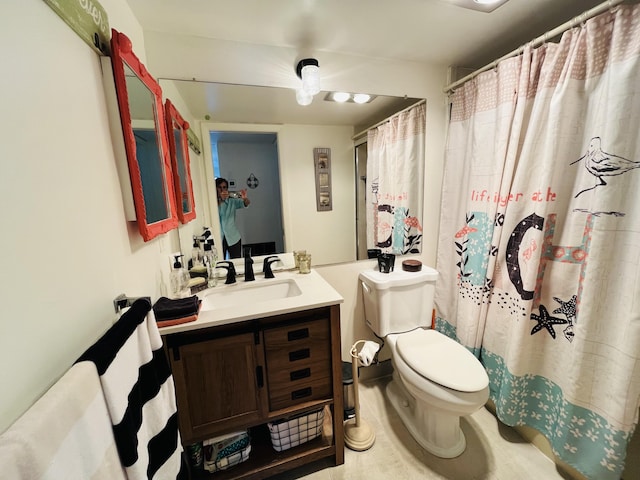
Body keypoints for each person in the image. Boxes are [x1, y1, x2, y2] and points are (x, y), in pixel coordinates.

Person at [216, 177, 250, 259]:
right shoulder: (212, 202)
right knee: (220, 263)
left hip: (233, 237)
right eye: (219, 187)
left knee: (237, 262)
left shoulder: (232, 201)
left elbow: (245, 204)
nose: (222, 190)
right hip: (218, 239)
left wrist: (245, 198)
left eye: (224, 187)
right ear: (216, 188)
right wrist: (220, 200)